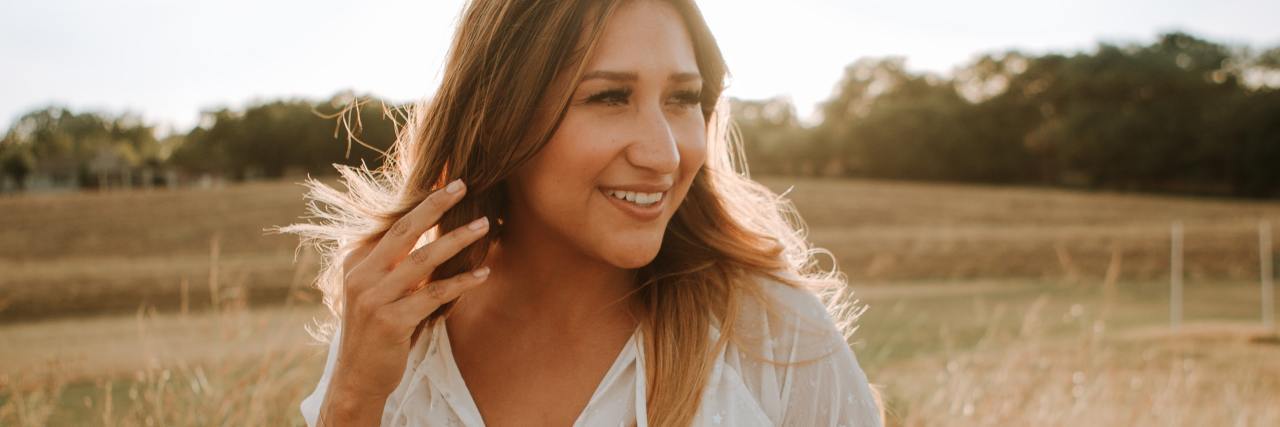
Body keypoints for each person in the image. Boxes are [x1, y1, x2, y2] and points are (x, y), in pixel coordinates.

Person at [282, 0, 883, 425]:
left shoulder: (769, 329)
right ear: (501, 118)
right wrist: (353, 401)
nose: (665, 154)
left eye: (682, 99)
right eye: (609, 97)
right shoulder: (397, 322)